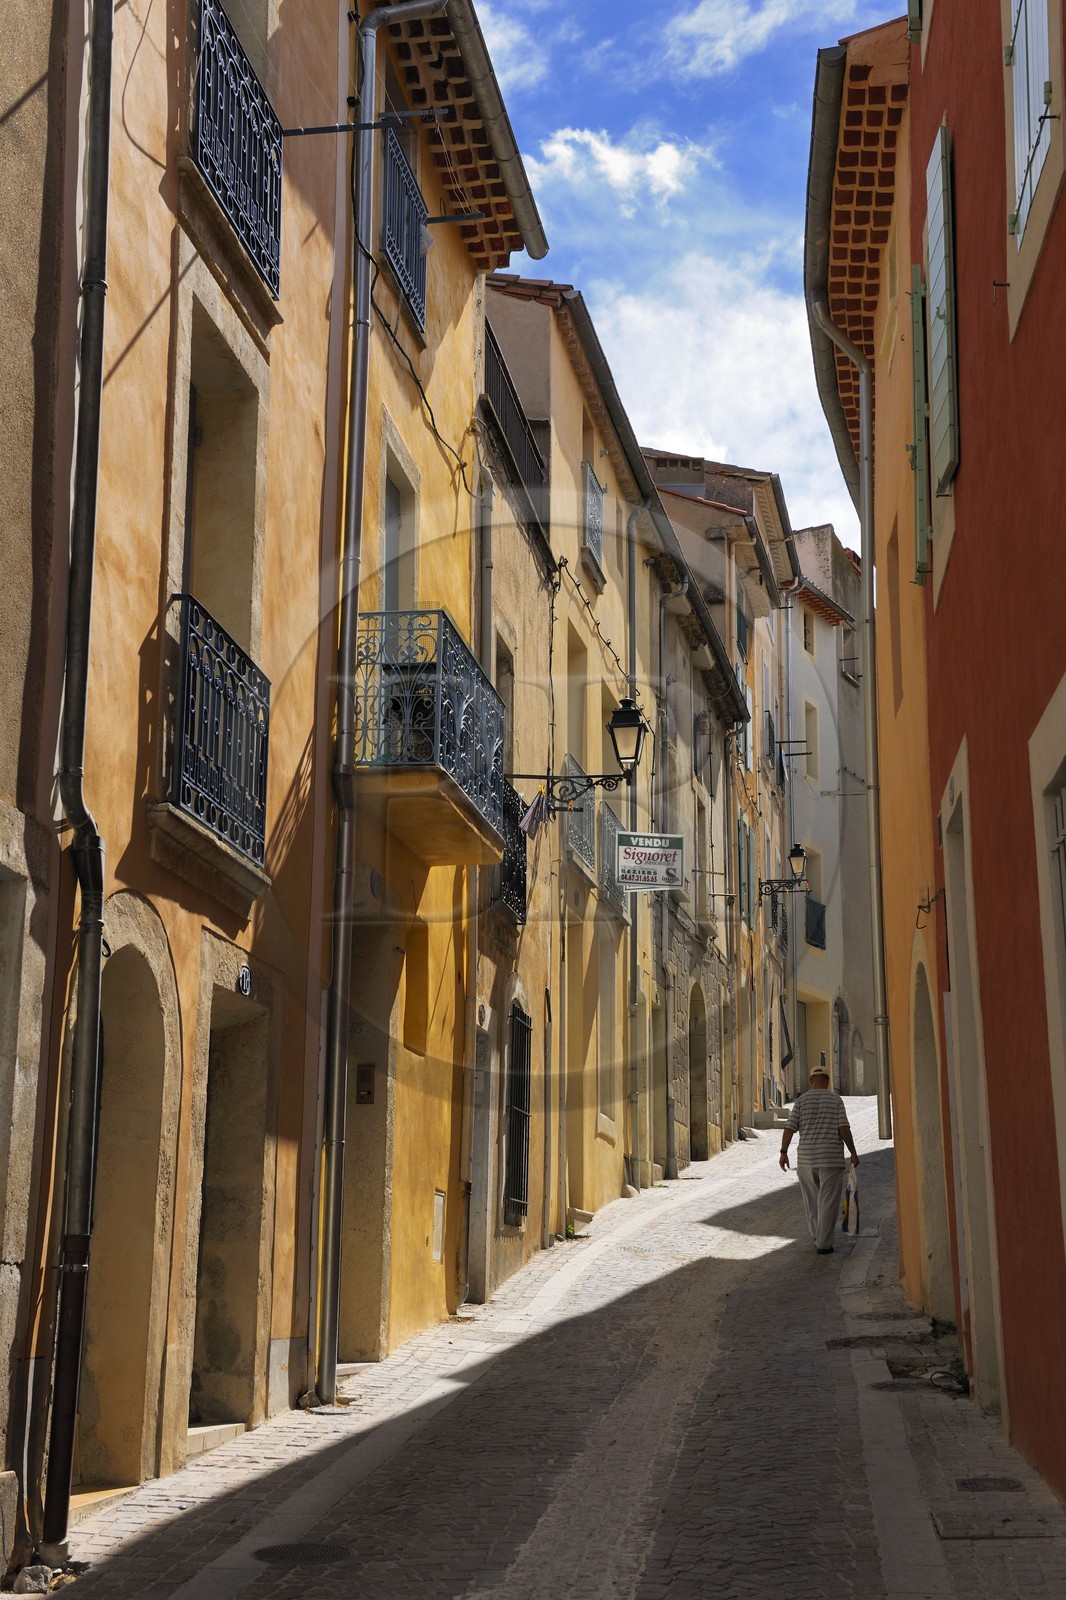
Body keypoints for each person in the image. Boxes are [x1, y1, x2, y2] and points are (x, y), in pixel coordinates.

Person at [778, 1061, 859, 1253]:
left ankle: (817, 1236)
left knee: (812, 1200)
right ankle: (824, 1244)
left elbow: (790, 1127)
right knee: (828, 1201)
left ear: (811, 1081)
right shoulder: (836, 1100)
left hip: (806, 1159)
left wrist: (783, 1152)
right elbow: (843, 1129)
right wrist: (853, 1152)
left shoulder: (801, 1101)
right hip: (830, 1158)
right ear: (828, 1081)